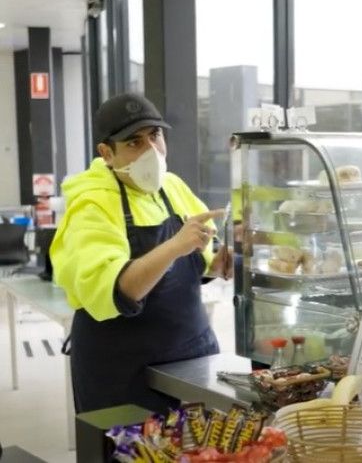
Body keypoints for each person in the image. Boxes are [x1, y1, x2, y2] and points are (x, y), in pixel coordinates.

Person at [50, 93, 231, 414]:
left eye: (155, 136)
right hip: (123, 368)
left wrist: (223, 261)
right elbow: (121, 289)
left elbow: (199, 264)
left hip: (190, 355)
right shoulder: (91, 204)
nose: (151, 151)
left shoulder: (172, 187)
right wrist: (175, 244)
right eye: (134, 142)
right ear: (106, 153)